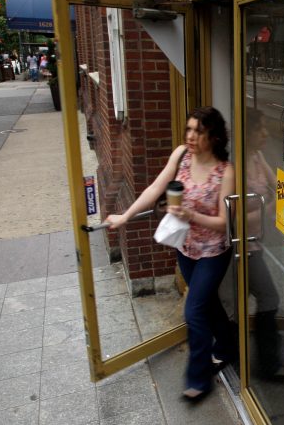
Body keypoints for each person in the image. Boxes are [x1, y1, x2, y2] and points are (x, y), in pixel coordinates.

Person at [105, 106, 236, 401]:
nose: (191, 136)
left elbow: (224, 223)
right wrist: (125, 216)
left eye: (199, 131)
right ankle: (228, 345)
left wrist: (191, 215)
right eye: (189, 129)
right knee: (208, 303)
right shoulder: (181, 155)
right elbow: (155, 188)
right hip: (185, 247)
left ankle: (198, 379)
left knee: (194, 310)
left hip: (213, 252)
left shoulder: (225, 172)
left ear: (214, 137)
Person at [244, 108, 284, 379]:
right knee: (269, 297)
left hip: (254, 244)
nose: (265, 133)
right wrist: (269, 209)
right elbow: (234, 218)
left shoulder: (256, 157)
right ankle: (268, 365)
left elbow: (279, 186)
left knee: (264, 298)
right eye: (259, 128)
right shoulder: (236, 165)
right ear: (247, 132)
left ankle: (266, 360)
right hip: (239, 247)